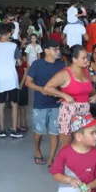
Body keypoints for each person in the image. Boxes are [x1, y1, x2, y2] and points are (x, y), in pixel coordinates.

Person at [44, 44, 96, 147]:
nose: (87, 60)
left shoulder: (85, 71)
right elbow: (47, 88)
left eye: (87, 57)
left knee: (85, 143)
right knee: (66, 144)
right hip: (69, 111)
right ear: (74, 59)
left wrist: (95, 95)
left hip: (85, 111)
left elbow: (90, 88)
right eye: (84, 58)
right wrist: (64, 95)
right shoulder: (65, 73)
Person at [27, 39, 66, 167]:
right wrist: (41, 89)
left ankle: (51, 158)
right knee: (39, 131)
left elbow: (66, 82)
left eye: (58, 49)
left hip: (56, 104)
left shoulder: (61, 65)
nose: (57, 51)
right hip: (40, 104)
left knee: (55, 132)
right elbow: (28, 82)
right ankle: (37, 150)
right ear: (46, 51)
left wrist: (63, 96)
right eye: (55, 49)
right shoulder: (37, 64)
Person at [0, 23, 24, 138]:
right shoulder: (13, 46)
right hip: (12, 79)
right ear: (9, 33)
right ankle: (14, 130)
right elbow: (19, 63)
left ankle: (2, 130)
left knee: (1, 104)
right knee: (14, 104)